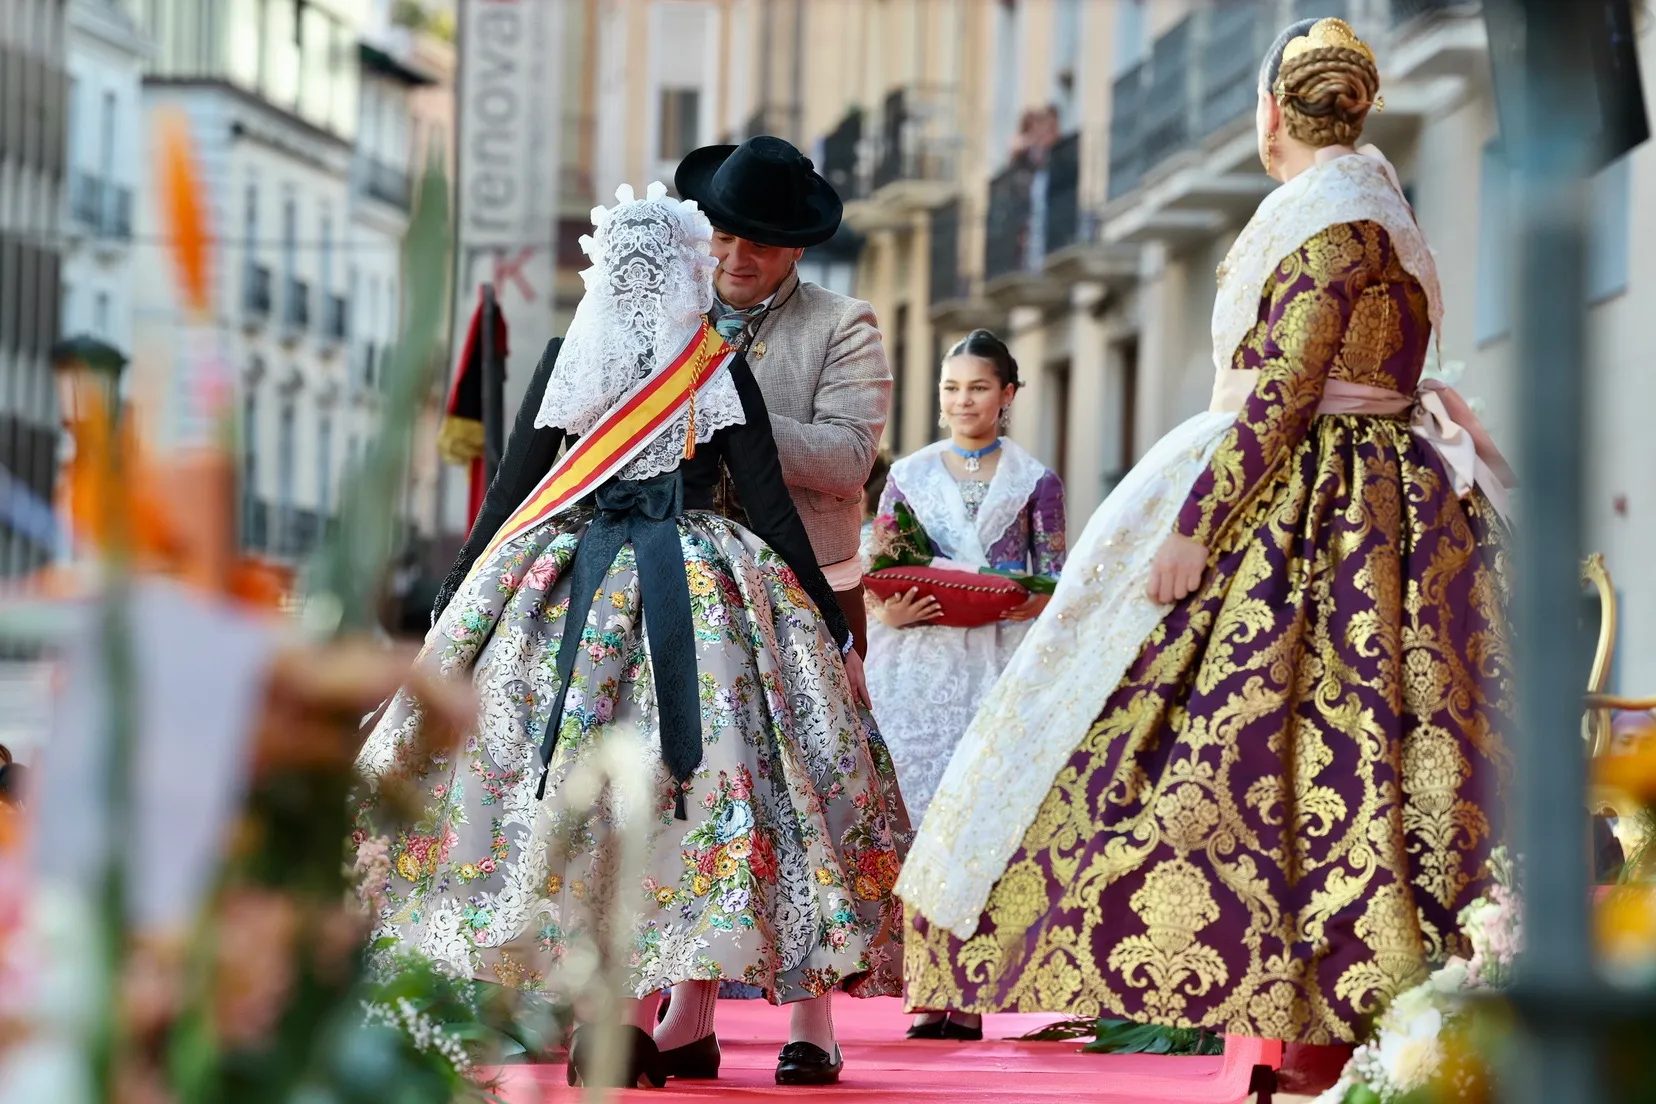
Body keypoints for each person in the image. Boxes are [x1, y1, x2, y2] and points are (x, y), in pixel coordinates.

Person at [895, 18, 1513, 1051]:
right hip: (1397, 496)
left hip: (1311, 501)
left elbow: (1285, 393)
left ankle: (1305, 980)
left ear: (1270, 113)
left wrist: (1194, 529)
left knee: (1207, 725)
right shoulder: (1380, 213)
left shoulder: (1329, 222)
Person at [355, 185, 904, 1089]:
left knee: (565, 789)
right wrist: (829, 634)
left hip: (565, 583)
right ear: (690, 264)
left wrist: (450, 618)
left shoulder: (568, 358)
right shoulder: (714, 365)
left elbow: (508, 501)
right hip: (707, 592)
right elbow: (770, 513)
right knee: (713, 789)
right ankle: (687, 1010)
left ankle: (601, 1018)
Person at [865, 329, 1065, 1042]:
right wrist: (890, 610)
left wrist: (1018, 600)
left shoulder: (1036, 481)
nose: (963, 401)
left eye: (978, 388)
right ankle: (925, 990)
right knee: (922, 824)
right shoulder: (909, 475)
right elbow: (884, 570)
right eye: (952, 388)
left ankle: (971, 991)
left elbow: (1053, 577)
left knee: (981, 823)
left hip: (1000, 666)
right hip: (919, 669)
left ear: (1007, 395)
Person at [672, 135, 892, 658]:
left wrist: (729, 413)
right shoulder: (668, 315)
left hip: (807, 587)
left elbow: (849, 460)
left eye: (760, 246)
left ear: (796, 248)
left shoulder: (844, 323)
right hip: (679, 574)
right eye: (724, 237)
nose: (736, 259)